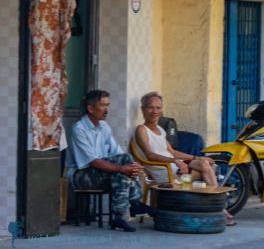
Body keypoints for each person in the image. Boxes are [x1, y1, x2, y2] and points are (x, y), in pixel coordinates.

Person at [135, 92, 235, 226]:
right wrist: (174, 161)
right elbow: (150, 155)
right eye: (151, 108)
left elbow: (172, 152)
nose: (155, 111)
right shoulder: (141, 130)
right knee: (206, 168)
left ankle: (218, 207)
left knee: (204, 162)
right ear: (143, 109)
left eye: (158, 108)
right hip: (166, 175)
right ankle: (220, 208)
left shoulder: (160, 130)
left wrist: (195, 157)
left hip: (176, 170)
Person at [67, 90, 155, 233]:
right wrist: (122, 169)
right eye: (103, 105)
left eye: (108, 105)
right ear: (90, 108)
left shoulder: (104, 127)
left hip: (101, 171)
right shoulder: (79, 129)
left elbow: (118, 153)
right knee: (121, 168)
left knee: (125, 162)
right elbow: (93, 162)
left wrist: (130, 167)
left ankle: (121, 215)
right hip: (81, 175)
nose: (107, 109)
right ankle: (133, 204)